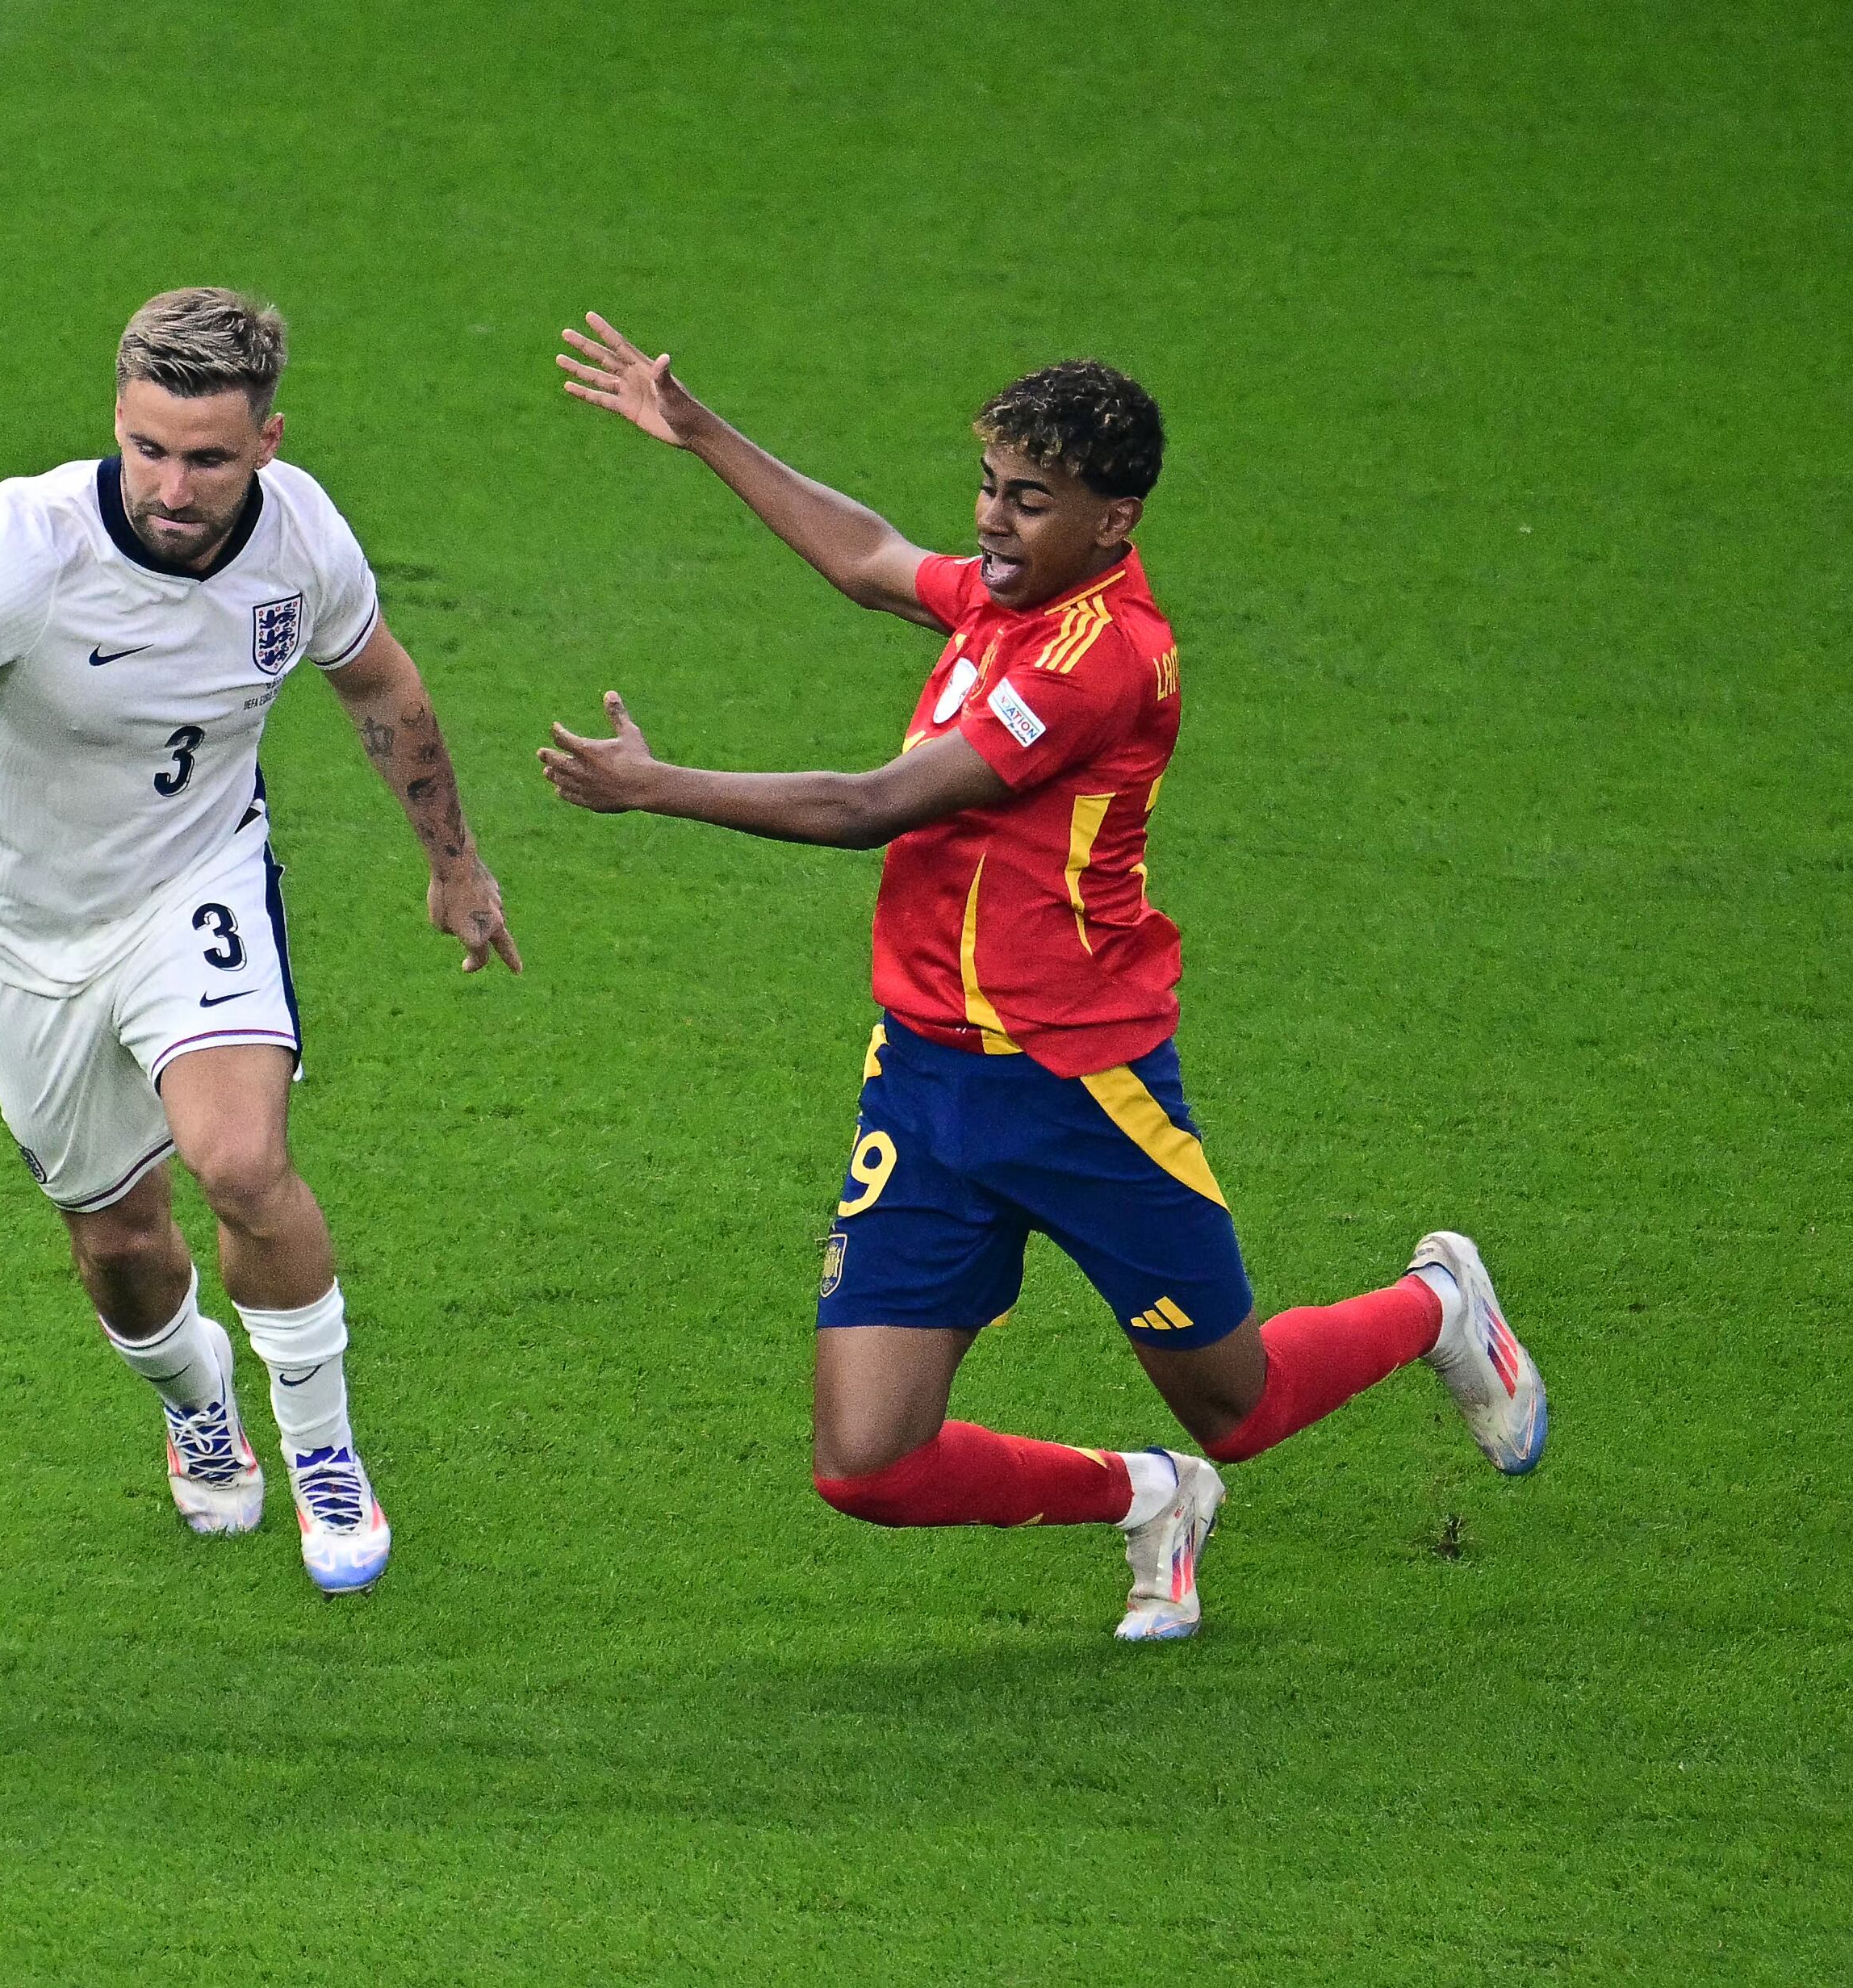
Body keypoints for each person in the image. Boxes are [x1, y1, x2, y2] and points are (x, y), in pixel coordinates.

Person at [539, 313, 1542, 1639]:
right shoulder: (1007, 603)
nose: (995, 526)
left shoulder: (1097, 662)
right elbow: (871, 558)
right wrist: (702, 429)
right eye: (992, 491)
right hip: (928, 1086)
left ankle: (1433, 1307)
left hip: (1080, 1084)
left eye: (1032, 502)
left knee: (1235, 1407)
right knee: (868, 1465)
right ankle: (1145, 1498)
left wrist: (661, 789)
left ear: (1116, 522)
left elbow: (874, 802)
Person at [0, 287, 520, 1594]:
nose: (174, 487)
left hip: (196, 885)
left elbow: (381, 687)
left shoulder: (301, 540)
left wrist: (454, 865)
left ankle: (324, 1453)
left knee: (241, 1162)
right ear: (116, 427)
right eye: (149, 449)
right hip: (19, 934)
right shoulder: (22, 539)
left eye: (209, 457)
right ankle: (200, 1408)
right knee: (120, 1245)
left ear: (269, 443)